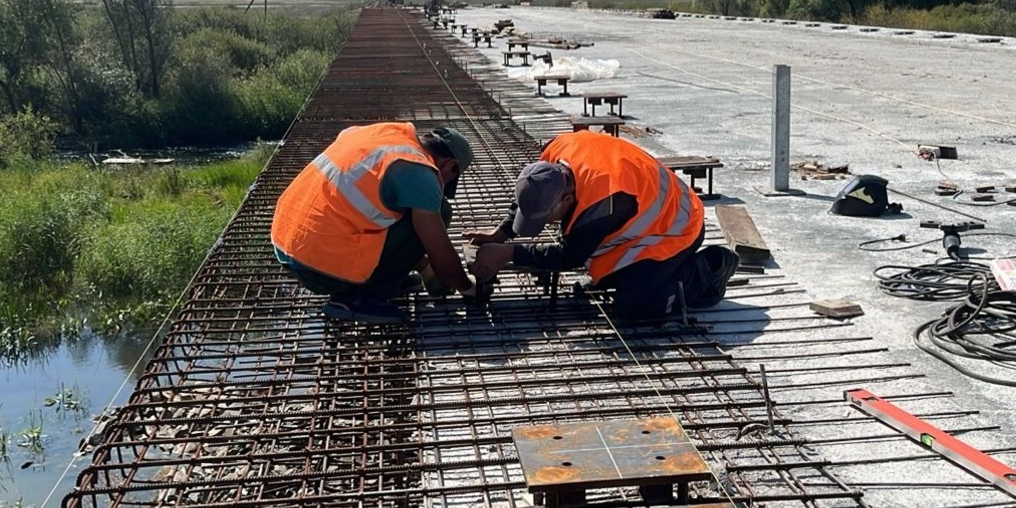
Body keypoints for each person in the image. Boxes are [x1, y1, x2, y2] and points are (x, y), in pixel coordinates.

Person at [466, 131, 739, 321]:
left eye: (545, 218)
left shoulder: (605, 199)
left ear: (568, 198)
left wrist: (509, 253)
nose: (545, 224)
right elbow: (533, 190)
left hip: (676, 226)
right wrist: (501, 233)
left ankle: (710, 268)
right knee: (605, 274)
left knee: (635, 306)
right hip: (643, 215)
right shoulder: (554, 155)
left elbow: (569, 255)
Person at [271, 122, 477, 324]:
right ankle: (357, 298)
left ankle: (384, 278)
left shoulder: (380, 136)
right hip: (321, 268)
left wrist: (423, 267)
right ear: (451, 166)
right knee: (440, 211)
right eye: (449, 180)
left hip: (289, 246)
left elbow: (356, 209)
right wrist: (468, 286)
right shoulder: (419, 170)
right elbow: (440, 253)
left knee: (403, 207)